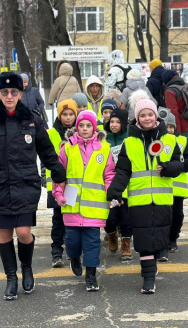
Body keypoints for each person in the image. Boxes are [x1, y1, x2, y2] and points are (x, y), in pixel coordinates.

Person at [0, 72, 66, 301]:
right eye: (4, 92)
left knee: (23, 233)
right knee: (4, 236)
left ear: (20, 93)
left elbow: (47, 152)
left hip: (25, 185)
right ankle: (11, 278)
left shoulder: (32, 120)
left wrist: (59, 174)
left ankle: (27, 268)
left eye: (13, 92)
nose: (9, 96)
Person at [107, 96, 184, 294]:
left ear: (156, 116)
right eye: (143, 115)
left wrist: (168, 167)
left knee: (159, 237)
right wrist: (115, 190)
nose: (147, 118)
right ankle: (148, 278)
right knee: (142, 239)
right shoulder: (130, 142)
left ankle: (154, 262)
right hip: (138, 200)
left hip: (162, 199)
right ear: (137, 118)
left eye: (150, 114)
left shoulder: (168, 139)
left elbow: (179, 163)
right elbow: (123, 170)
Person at [53, 110, 116, 291]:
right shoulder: (68, 148)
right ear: (76, 127)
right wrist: (58, 193)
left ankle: (91, 275)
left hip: (94, 204)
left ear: (94, 127)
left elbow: (109, 173)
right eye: (81, 125)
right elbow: (59, 173)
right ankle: (73, 256)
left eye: (88, 125)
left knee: (92, 242)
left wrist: (111, 193)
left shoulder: (104, 148)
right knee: (72, 240)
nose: (85, 129)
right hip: (71, 200)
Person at [46, 99, 78, 267]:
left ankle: (71, 249)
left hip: (73, 182)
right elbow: (44, 154)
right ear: (59, 115)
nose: (68, 117)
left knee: (71, 217)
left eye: (71, 114)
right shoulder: (51, 133)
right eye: (64, 114)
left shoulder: (80, 132)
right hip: (57, 182)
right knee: (58, 218)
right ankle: (56, 251)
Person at [162, 112, 188, 259]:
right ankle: (163, 240)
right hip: (162, 187)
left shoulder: (182, 141)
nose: (169, 129)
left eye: (171, 127)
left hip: (177, 189)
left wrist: (178, 166)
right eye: (166, 126)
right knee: (163, 216)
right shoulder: (159, 141)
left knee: (177, 215)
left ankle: (173, 238)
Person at [104, 108, 133, 261]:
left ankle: (126, 242)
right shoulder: (103, 140)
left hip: (126, 185)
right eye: (112, 122)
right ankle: (111, 234)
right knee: (109, 217)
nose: (114, 125)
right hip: (108, 184)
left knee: (126, 218)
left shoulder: (129, 140)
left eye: (118, 122)